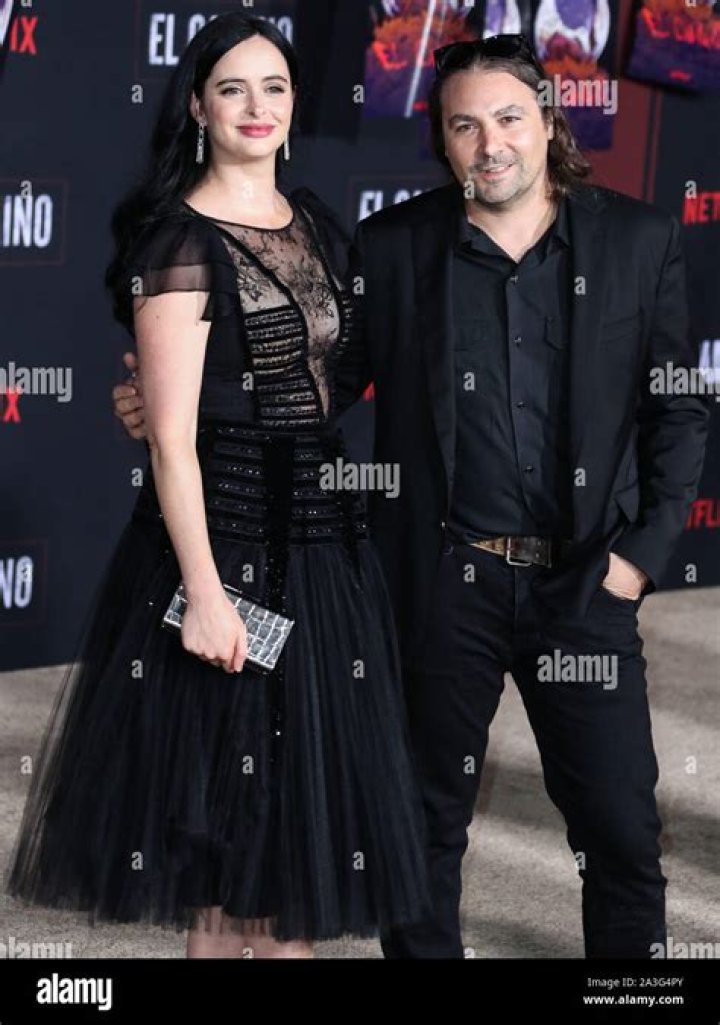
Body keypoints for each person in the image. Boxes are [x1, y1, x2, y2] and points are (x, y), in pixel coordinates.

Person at [113, 34, 710, 959]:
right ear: (442, 138)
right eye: (465, 125)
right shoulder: (394, 248)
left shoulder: (638, 239)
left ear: (550, 121)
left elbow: (678, 409)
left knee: (622, 832)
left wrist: (639, 559)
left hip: (587, 583)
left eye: (509, 117)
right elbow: (319, 383)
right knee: (420, 831)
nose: (490, 143)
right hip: (441, 584)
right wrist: (174, 403)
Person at [5, 13, 432, 959]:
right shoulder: (180, 243)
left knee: (286, 861)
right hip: (223, 546)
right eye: (232, 88)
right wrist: (203, 594)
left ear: (294, 103)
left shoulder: (312, 221)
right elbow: (171, 443)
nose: (256, 106)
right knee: (230, 860)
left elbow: (328, 381)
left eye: (274, 86)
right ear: (197, 106)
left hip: (320, 546)